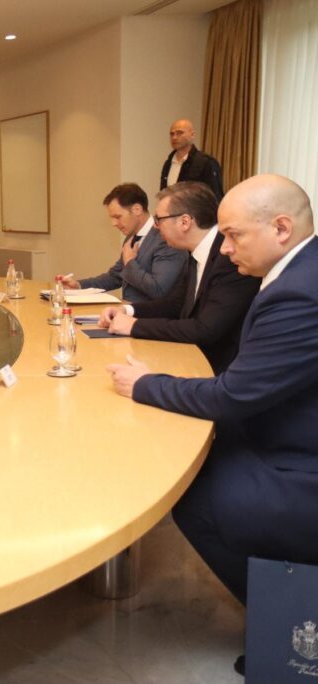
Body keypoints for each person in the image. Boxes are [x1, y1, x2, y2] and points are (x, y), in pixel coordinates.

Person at [107, 175, 318, 619]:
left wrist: (144, 384)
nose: (224, 248)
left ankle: (290, 626)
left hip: (301, 459)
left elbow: (233, 395)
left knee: (197, 497)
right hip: (286, 425)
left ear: (281, 228)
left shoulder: (299, 293)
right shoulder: (299, 271)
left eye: (234, 235)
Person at [96, 182, 260, 373]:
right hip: (193, 356)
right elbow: (174, 304)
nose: (155, 226)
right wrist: (127, 310)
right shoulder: (195, 252)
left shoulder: (229, 257)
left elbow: (205, 330)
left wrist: (135, 326)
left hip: (220, 370)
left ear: (185, 222)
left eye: (159, 219)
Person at [62, 183, 187, 303]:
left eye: (118, 217)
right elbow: (116, 276)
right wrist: (78, 285)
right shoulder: (131, 237)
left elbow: (158, 290)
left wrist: (130, 263)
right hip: (127, 311)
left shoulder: (165, 239)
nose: (114, 223)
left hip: (150, 315)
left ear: (137, 209)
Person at [160, 119, 224, 201]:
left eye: (180, 133)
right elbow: (163, 194)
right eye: (172, 134)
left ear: (192, 135)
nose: (174, 137)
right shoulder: (168, 163)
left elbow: (215, 197)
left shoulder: (206, 163)